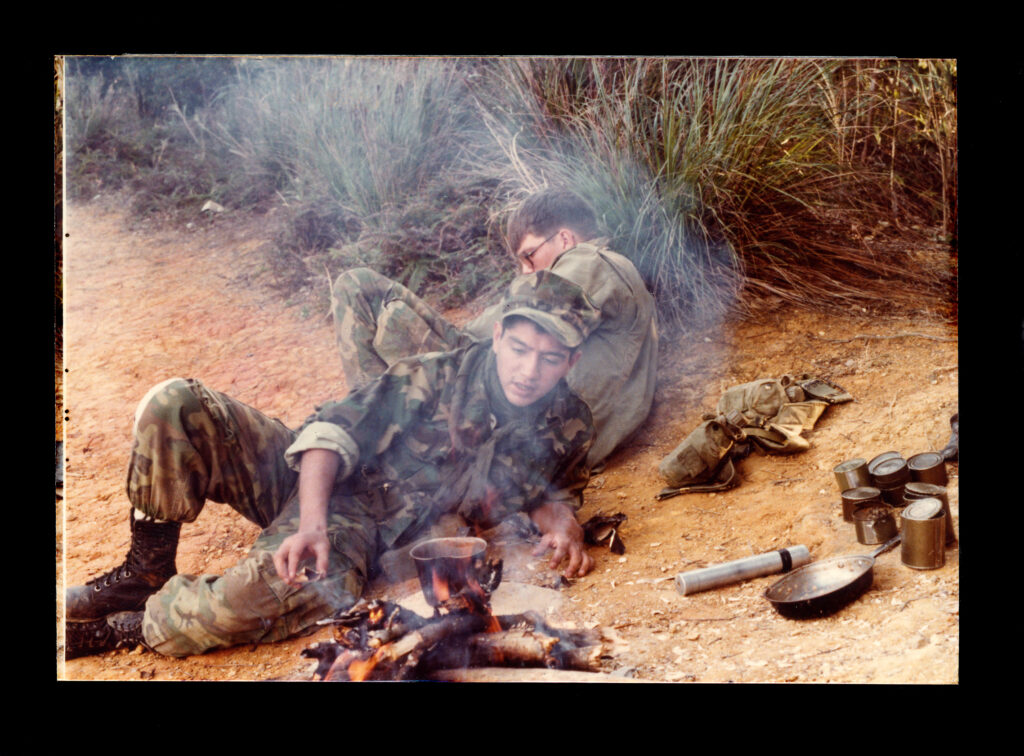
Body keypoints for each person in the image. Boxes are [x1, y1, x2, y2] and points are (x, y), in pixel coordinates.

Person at [64, 271, 600, 660]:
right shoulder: (435, 376)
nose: (529, 370)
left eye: (550, 358)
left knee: (262, 593)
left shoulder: (569, 421)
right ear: (500, 335)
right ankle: (146, 570)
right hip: (320, 481)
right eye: (521, 348)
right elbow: (329, 434)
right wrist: (310, 524)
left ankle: (130, 627)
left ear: (571, 361)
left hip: (362, 533)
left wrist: (562, 520)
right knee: (176, 402)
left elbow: (548, 489)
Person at [333, 188, 658, 467]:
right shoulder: (609, 272)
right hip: (549, 430)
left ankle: (367, 436)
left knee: (358, 286)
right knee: (378, 307)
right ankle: (374, 433)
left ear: (564, 238)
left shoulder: (591, 261)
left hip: (544, 438)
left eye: (529, 257)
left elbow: (497, 328)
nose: (526, 272)